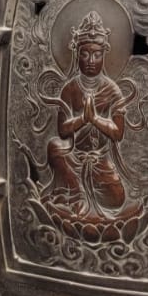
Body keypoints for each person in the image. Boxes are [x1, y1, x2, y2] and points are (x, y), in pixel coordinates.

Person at [46, 12, 129, 218]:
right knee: (54, 147)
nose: (91, 60)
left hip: (99, 159)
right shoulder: (70, 89)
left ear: (104, 55)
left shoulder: (112, 90)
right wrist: (82, 119)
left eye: (97, 55)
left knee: (117, 199)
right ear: (77, 55)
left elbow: (118, 133)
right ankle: (77, 194)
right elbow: (62, 131)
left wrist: (95, 119)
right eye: (85, 54)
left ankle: (78, 195)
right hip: (73, 156)